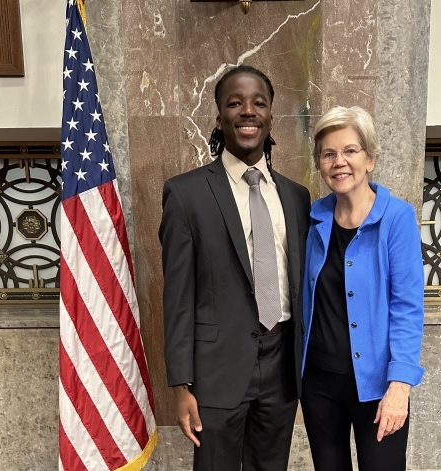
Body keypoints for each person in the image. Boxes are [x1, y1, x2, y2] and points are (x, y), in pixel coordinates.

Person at [159, 65, 311, 471]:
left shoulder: (296, 197)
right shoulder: (186, 193)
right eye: (235, 103)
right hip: (215, 372)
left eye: (258, 103)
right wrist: (180, 385)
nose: (248, 111)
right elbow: (177, 297)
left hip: (281, 369)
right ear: (220, 117)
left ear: (271, 116)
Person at [301, 106, 425, 471]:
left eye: (350, 151)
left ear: (370, 159)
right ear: (320, 164)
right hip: (319, 385)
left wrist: (400, 387)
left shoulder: (396, 218)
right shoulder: (312, 218)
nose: (339, 162)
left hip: (378, 388)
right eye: (328, 153)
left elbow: (407, 307)